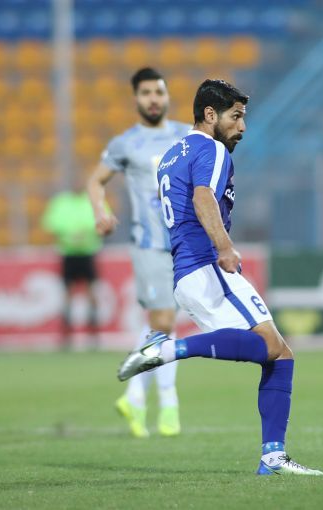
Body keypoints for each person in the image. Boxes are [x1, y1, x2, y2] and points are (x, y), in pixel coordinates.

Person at [118, 79, 323, 476]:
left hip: (186, 273)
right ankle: (168, 350)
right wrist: (225, 246)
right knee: (272, 347)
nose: (242, 127)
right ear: (210, 114)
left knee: (279, 354)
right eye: (236, 116)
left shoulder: (171, 154)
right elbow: (202, 198)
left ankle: (273, 457)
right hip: (207, 265)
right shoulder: (210, 149)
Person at [88, 67, 190, 438]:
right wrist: (100, 211)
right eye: (146, 93)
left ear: (167, 96)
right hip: (149, 244)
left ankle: (133, 397)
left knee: (160, 324)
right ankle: (169, 403)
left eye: (159, 92)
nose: (153, 99)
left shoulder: (186, 135)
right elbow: (95, 181)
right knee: (164, 322)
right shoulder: (126, 143)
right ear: (136, 98)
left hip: (184, 243)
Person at [42, 173, 105, 349]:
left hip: (88, 252)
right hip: (68, 253)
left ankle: (93, 333)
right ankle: (66, 334)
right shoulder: (61, 202)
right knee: (67, 294)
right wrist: (71, 234)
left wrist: (84, 232)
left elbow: (103, 220)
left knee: (91, 293)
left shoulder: (93, 201)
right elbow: (51, 224)